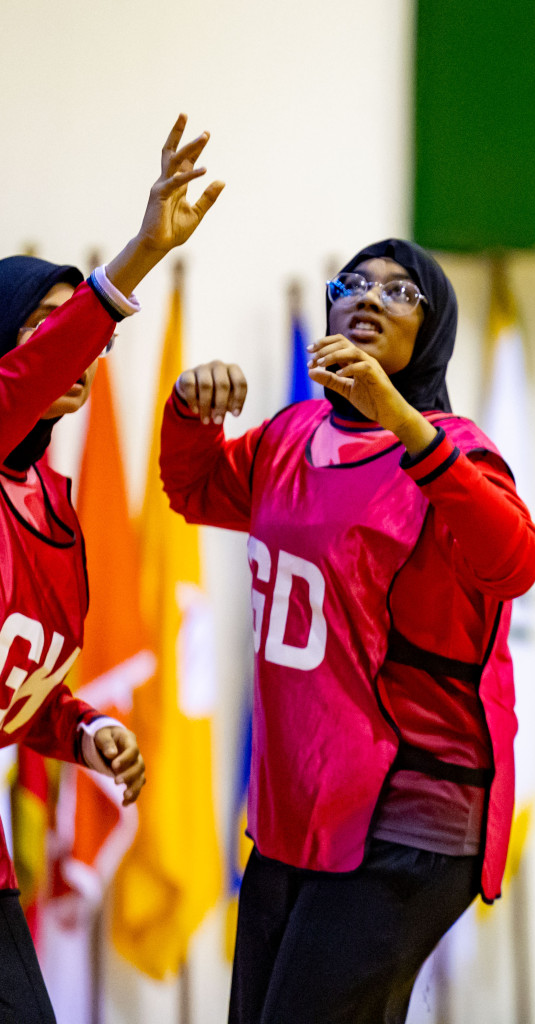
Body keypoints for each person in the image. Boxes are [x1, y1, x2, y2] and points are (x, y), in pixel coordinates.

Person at [159, 238, 535, 1024]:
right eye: (354, 284)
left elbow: (516, 562)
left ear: (430, 334)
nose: (368, 298)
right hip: (295, 808)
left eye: (400, 293)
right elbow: (194, 489)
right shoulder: (289, 436)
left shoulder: (459, 452)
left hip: (411, 810)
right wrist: (191, 412)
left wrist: (402, 422)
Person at [0, 113, 222, 1023]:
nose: (79, 350)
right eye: (45, 331)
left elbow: (27, 690)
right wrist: (138, 255)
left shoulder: (57, 507)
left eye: (80, 332)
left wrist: (86, 731)